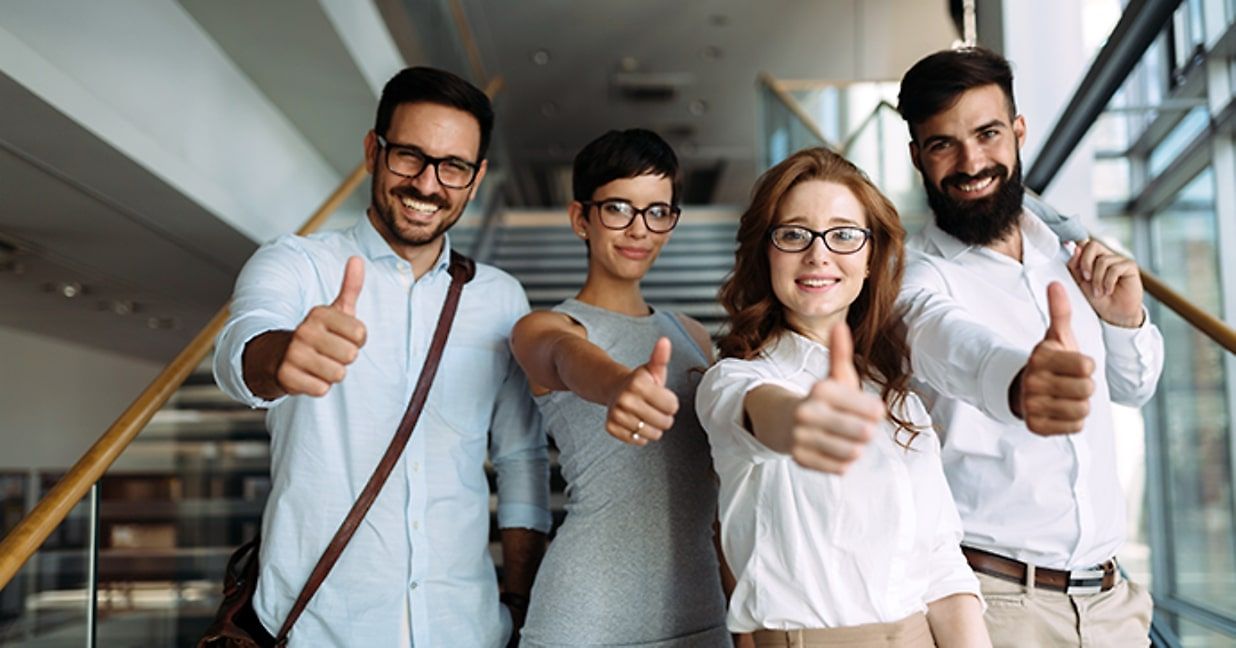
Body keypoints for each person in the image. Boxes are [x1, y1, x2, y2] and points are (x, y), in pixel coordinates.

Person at [213, 66, 550, 647]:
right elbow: (241, 347)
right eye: (409, 157)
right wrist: (283, 356)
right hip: (320, 631)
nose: (427, 184)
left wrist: (518, 601)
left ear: (476, 179)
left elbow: (520, 457)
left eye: (453, 167)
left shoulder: (499, 297)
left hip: (464, 630)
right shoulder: (298, 265)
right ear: (373, 150)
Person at [891, 48, 1166, 646]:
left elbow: (1135, 386)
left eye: (988, 133)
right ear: (917, 156)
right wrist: (1018, 381)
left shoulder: (1072, 254)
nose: (972, 162)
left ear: (1018, 132)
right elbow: (947, 340)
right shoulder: (913, 279)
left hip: (1113, 603)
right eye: (943, 144)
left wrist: (1125, 320)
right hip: (998, 608)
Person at [696, 147, 990, 648]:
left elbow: (941, 565)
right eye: (793, 234)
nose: (819, 254)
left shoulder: (901, 401)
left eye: (844, 234)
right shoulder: (734, 382)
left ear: (871, 257)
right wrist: (804, 420)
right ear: (764, 252)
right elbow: (766, 416)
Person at [509, 128, 730, 647]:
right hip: (587, 619)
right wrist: (618, 385)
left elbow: (717, 500)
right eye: (618, 209)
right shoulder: (546, 327)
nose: (639, 230)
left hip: (702, 613)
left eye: (657, 211)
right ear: (580, 218)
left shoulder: (692, 335)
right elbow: (567, 360)